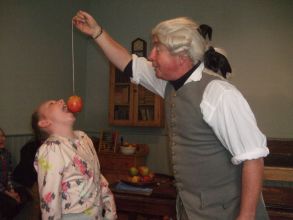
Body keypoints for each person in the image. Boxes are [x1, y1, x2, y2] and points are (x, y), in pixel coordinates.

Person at [73, 11, 270, 220]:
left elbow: (253, 158)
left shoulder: (220, 94)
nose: (151, 56)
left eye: (158, 48)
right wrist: (97, 32)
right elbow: (128, 63)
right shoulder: (169, 84)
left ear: (181, 56)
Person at [33, 99, 117, 220]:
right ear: (45, 122)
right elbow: (50, 200)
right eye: (52, 103)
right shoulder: (51, 149)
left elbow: (97, 177)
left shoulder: (83, 138)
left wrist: (110, 212)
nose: (61, 100)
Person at [0, 128, 31, 220]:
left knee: (25, 195)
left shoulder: (6, 153)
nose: (1, 139)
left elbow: (9, 174)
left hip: (5, 187)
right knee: (10, 202)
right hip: (1, 189)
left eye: (3, 136)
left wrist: (11, 190)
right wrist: (8, 194)